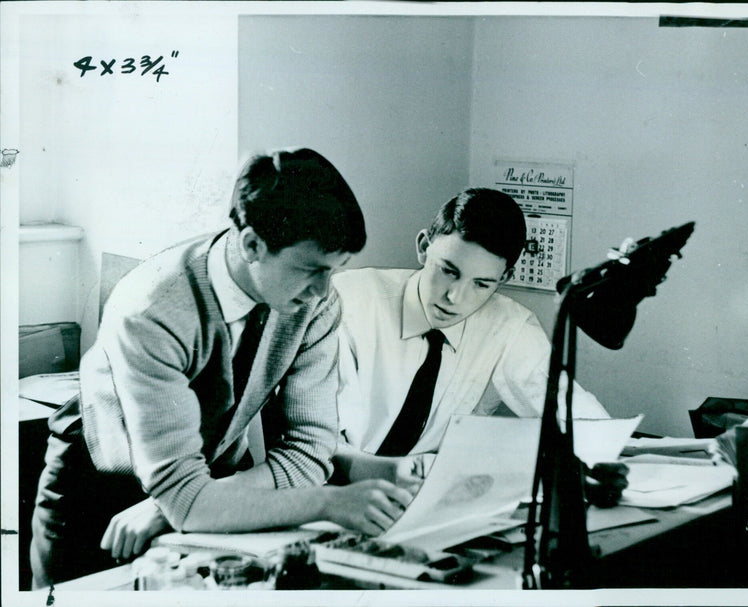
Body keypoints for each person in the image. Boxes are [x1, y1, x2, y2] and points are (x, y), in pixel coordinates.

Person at [30, 148, 413, 588]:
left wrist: (189, 503)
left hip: (214, 489)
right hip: (97, 490)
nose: (323, 290)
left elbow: (311, 451)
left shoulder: (316, 302)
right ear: (252, 244)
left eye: (336, 270)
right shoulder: (153, 310)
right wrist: (327, 503)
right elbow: (189, 502)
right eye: (311, 269)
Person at [331, 187, 627, 502]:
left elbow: (574, 415)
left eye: (481, 284)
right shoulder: (348, 303)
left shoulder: (508, 326)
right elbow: (316, 442)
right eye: (448, 271)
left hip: (420, 497)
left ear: (505, 276)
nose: (454, 297)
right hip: (329, 493)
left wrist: (600, 460)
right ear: (423, 246)